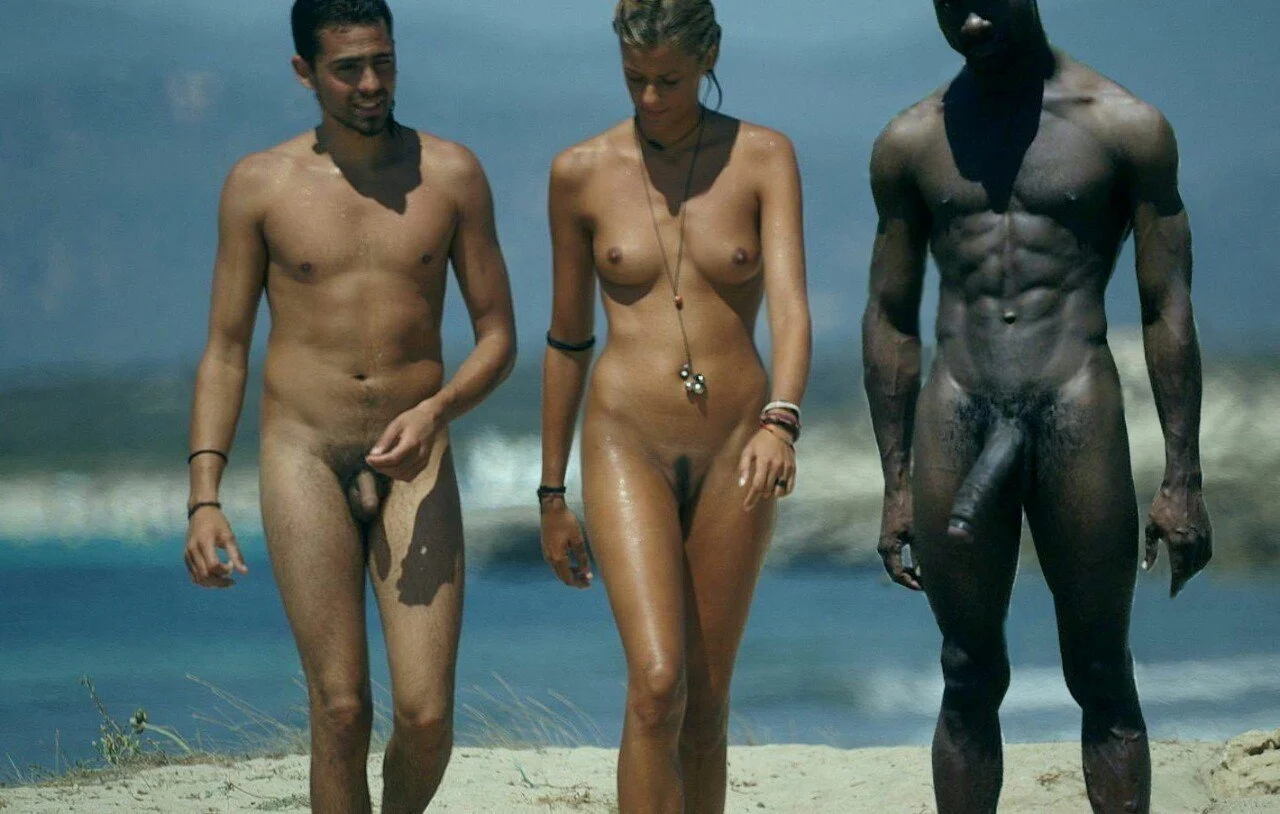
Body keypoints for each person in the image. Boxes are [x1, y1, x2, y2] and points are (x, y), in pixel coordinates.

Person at [862, 1, 1212, 812]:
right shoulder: (910, 142)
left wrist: (1183, 479)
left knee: (1101, 669)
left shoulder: (1124, 127)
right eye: (950, 3)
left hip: (1074, 404)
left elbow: (1166, 305)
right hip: (959, 408)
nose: (970, 20)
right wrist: (896, 483)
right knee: (966, 670)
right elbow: (889, 315)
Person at [182, 1, 516, 811]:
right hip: (305, 454)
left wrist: (437, 411)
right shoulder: (259, 186)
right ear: (305, 72)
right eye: (348, 69)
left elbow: (499, 337)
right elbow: (226, 349)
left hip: (416, 456)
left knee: (427, 716)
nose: (371, 84)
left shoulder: (452, 174)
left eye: (383, 62)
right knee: (340, 709)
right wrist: (204, 496)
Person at [537, 1, 812, 811]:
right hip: (626, 441)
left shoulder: (764, 156)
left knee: (706, 700)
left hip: (738, 444)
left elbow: (792, 309)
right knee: (658, 685)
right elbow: (566, 338)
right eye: (635, 79)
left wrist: (781, 420)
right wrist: (551, 493)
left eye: (670, 80)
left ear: (709, 57)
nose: (652, 98)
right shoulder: (579, 172)